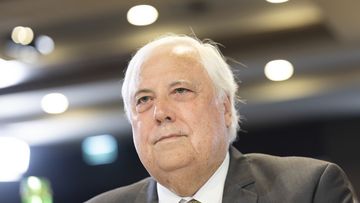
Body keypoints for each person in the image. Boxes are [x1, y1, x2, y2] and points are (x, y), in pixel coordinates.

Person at [86, 34, 358, 203]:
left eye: (180, 91)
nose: (160, 113)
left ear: (225, 107)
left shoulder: (309, 190)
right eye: (143, 100)